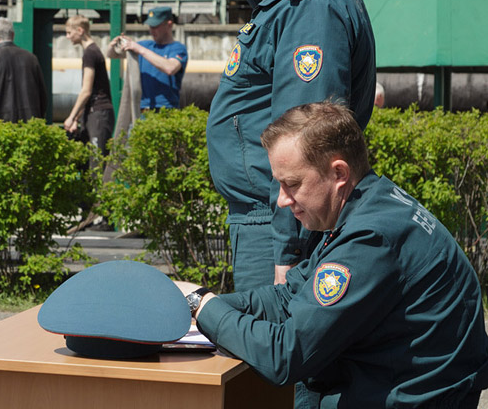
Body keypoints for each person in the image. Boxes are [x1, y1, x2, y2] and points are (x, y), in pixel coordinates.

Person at [181, 102, 488, 408]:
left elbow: (285, 356)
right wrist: (199, 302)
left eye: (292, 184)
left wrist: (203, 306)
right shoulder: (371, 205)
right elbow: (288, 296)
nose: (282, 200)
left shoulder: (371, 239)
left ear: (339, 172)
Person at [205, 0, 376, 295]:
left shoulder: (311, 4)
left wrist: (289, 248)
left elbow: (306, 135)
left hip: (278, 222)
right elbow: (271, 26)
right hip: (269, 216)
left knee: (273, 340)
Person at [107, 6, 187, 111]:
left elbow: (170, 68)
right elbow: (113, 55)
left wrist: (139, 49)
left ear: (169, 24)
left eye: (156, 26)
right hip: (142, 108)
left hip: (166, 108)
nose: (152, 30)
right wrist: (114, 45)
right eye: (150, 26)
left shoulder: (177, 48)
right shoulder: (145, 45)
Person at [63, 15, 114, 157]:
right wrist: (77, 119)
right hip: (95, 112)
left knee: (96, 162)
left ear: (80, 30)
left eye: (69, 32)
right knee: (91, 160)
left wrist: (71, 117)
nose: (67, 37)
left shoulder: (90, 54)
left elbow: (86, 91)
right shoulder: (92, 51)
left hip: (98, 113)